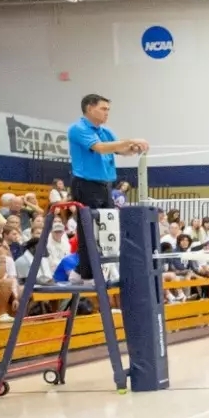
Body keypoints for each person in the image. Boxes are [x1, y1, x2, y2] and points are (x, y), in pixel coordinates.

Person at [67, 93, 149, 279]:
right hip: (86, 184)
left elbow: (120, 149)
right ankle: (86, 274)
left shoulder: (106, 131)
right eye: (103, 109)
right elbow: (101, 148)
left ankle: (97, 269)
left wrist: (134, 148)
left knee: (107, 227)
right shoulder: (78, 129)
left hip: (105, 185)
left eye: (108, 110)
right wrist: (132, 140)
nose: (107, 113)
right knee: (88, 229)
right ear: (90, 108)